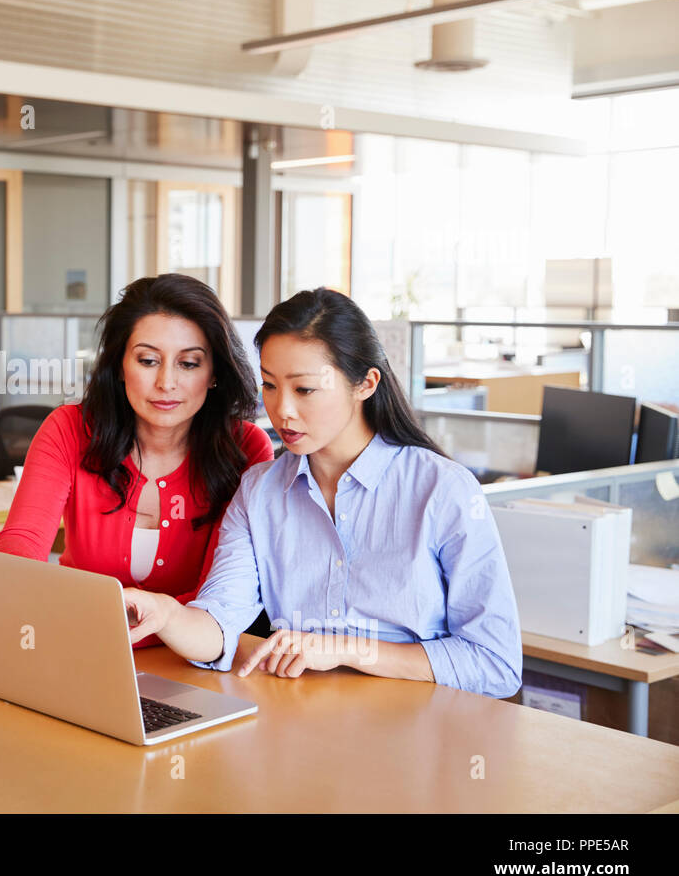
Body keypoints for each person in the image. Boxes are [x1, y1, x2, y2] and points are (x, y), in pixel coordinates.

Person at [123, 288, 522, 698]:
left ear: (365, 383)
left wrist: (348, 651)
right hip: (299, 726)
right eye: (271, 386)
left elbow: (495, 663)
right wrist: (167, 614)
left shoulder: (443, 490)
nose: (282, 410)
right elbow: (218, 626)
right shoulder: (259, 491)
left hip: (415, 736)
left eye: (305, 389)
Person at [0, 274, 274, 641]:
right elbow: (21, 544)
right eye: (147, 360)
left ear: (214, 373)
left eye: (188, 363)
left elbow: (217, 597)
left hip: (189, 659)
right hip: (81, 643)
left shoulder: (245, 448)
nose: (166, 383)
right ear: (120, 365)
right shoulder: (69, 429)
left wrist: (122, 623)